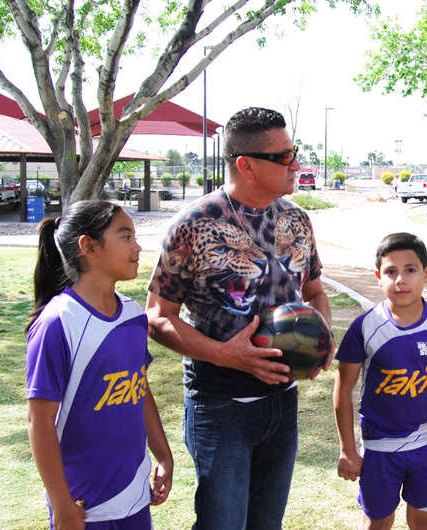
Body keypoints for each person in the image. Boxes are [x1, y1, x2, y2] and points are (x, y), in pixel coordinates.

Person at [145, 107, 333, 530]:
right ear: (246, 165)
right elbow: (158, 316)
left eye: (295, 152)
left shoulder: (297, 219)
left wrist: (323, 332)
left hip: (283, 405)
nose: (296, 164)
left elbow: (315, 291)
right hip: (219, 405)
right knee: (222, 524)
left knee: (267, 524)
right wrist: (226, 355)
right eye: (284, 156)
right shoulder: (192, 224)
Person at [26, 200, 173, 530]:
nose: (137, 247)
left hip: (135, 496)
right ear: (88, 247)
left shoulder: (134, 315)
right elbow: (40, 422)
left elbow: (138, 387)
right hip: (83, 508)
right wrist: (63, 504)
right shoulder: (58, 322)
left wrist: (163, 454)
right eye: (125, 237)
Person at [334, 232, 427, 530]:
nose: (401, 279)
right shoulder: (365, 327)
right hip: (379, 448)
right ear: (378, 277)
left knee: (424, 520)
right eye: (391, 271)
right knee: (377, 522)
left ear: (426, 273)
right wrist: (347, 449)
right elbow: (343, 389)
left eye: (410, 270)